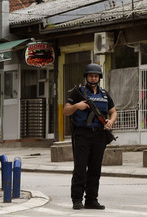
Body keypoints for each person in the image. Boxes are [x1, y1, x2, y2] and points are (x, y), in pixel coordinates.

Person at [63, 63, 117, 210]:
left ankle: (91, 199)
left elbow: (113, 112)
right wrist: (76, 106)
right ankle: (77, 199)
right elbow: (65, 111)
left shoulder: (104, 94)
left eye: (96, 76)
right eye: (91, 75)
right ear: (86, 77)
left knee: (95, 169)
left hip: (99, 134)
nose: (93, 78)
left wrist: (110, 122)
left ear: (99, 77)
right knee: (80, 168)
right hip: (82, 134)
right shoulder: (78, 93)